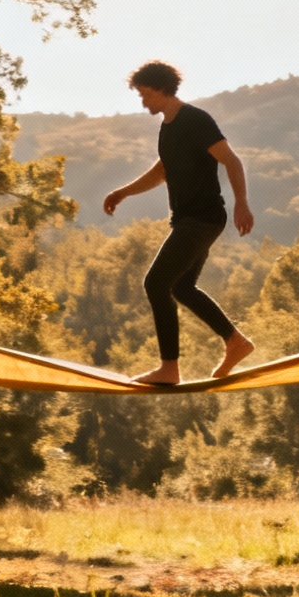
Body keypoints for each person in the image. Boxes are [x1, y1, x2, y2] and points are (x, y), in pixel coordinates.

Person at [102, 61, 256, 385]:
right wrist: (123, 192)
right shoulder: (168, 127)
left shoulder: (195, 120)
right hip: (189, 219)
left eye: (145, 94)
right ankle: (236, 342)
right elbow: (162, 172)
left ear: (161, 89)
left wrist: (242, 203)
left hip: (202, 218)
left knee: (156, 283)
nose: (143, 101)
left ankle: (169, 368)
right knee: (181, 288)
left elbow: (231, 159)